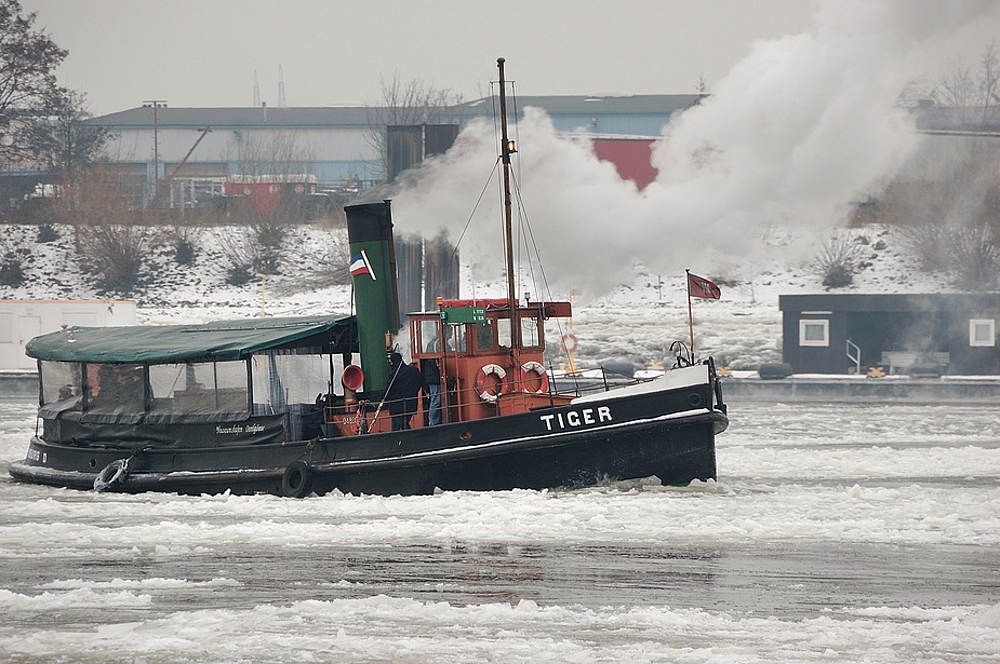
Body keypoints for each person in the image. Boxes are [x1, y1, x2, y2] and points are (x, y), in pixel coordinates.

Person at [385, 352, 424, 431]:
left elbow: (389, 390)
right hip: (411, 403)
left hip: (397, 405)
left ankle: (398, 441)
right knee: (404, 423)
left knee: (396, 427)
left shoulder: (394, 373)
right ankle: (409, 438)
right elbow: (419, 384)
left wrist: (386, 400)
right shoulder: (414, 370)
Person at [421, 357, 443, 425]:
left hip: (432, 379)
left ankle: (434, 421)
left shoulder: (428, 356)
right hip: (434, 380)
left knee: (435, 401)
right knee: (435, 402)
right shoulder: (431, 358)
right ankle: (433, 421)